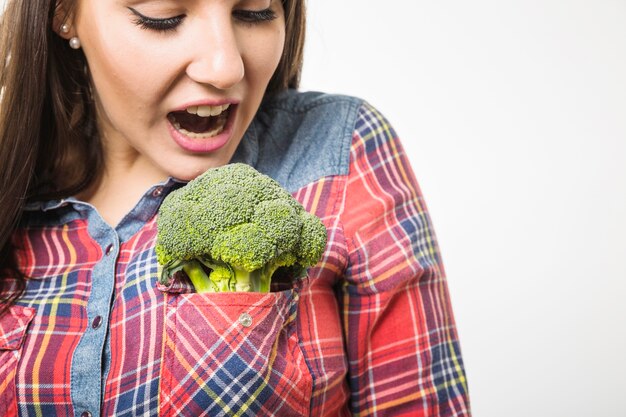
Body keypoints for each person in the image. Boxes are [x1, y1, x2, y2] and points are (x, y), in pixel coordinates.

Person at [0, 0, 471, 416]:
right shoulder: (11, 195)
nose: (226, 68)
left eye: (254, 11)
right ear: (63, 14)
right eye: (164, 17)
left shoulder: (340, 153)